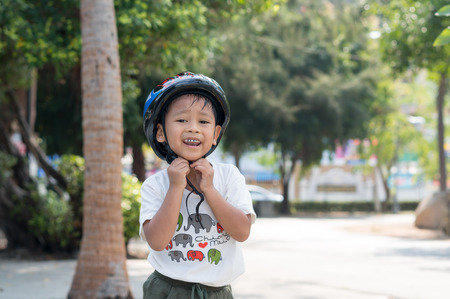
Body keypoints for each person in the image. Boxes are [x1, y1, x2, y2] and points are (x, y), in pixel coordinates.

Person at [140, 71, 256, 299]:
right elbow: (156, 241)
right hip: (167, 289)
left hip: (216, 292)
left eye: (203, 121)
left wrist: (210, 190)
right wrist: (175, 187)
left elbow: (242, 232)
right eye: (182, 119)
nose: (193, 128)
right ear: (161, 132)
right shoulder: (156, 185)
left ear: (215, 134)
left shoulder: (228, 176)